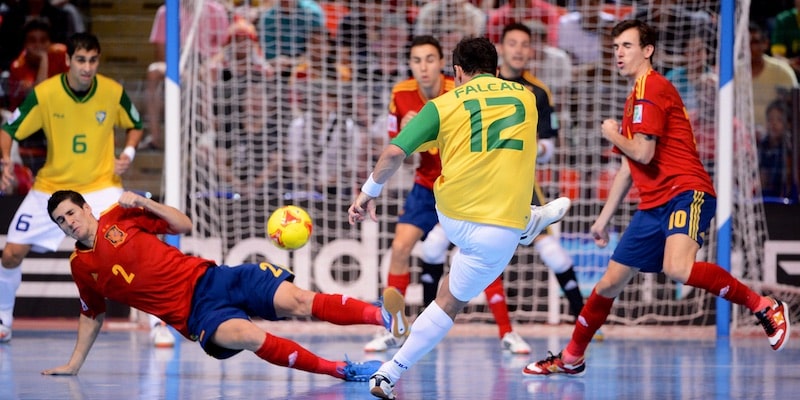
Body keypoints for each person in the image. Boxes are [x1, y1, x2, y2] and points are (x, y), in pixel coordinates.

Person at [522, 20, 792, 378]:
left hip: (686, 192)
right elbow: (628, 167)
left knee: (677, 268)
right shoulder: (634, 96)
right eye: (616, 46)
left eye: (627, 46)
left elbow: (644, 153)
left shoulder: (652, 89)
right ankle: (571, 358)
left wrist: (613, 135)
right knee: (608, 284)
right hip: (652, 205)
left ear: (647, 50)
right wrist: (603, 219)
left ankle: (765, 307)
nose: (619, 53)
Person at [348, 36, 571, 399]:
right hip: (499, 230)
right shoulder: (528, 98)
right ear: (498, 71)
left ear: (456, 72)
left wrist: (366, 194)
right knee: (448, 305)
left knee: (443, 289)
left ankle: (387, 368)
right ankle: (527, 222)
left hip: (451, 213)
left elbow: (392, 153)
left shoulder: (442, 104)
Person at [42, 190, 407, 381]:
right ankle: (338, 369)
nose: (69, 222)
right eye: (61, 221)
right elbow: (92, 314)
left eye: (71, 213)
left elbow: (182, 225)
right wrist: (74, 364)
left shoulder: (120, 216)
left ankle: (383, 318)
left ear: (86, 208)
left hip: (215, 278)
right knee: (249, 336)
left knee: (298, 300)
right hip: (197, 314)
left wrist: (144, 202)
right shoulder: (80, 266)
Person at [363, 35, 531, 355]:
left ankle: (507, 332)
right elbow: (399, 153)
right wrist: (410, 135)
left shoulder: (458, 91)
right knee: (399, 247)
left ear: (447, 67)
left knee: (477, 253)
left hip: (465, 189)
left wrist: (424, 134)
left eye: (430, 60)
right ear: (410, 65)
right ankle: (393, 326)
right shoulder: (400, 94)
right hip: (427, 185)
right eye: (416, 61)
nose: (423, 67)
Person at [0, 33, 145, 344]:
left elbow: (136, 124)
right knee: (11, 254)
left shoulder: (112, 91)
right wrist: (5, 162)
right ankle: (3, 318)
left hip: (101, 186)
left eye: (93, 60)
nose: (87, 67)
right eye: (81, 59)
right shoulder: (45, 93)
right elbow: (9, 128)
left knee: (135, 249)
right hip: (52, 188)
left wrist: (128, 154)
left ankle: (157, 320)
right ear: (67, 60)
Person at [495, 22, 591, 328]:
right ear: (500, 48)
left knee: (553, 253)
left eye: (525, 44)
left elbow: (548, 149)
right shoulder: (486, 86)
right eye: (513, 43)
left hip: (520, 184)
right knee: (439, 247)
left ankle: (583, 319)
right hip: (479, 183)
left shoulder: (538, 92)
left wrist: (524, 145)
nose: (519, 50)